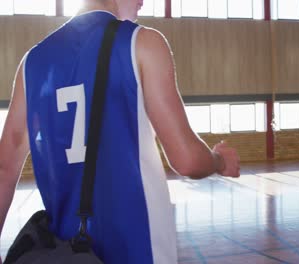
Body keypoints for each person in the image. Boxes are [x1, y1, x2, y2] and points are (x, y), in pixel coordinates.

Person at [0, 0, 240, 263]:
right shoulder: (142, 43)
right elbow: (187, 160)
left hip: (66, 254)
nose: (142, 2)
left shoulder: (32, 63)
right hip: (139, 251)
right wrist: (219, 160)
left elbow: (4, 172)